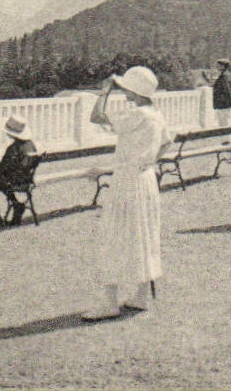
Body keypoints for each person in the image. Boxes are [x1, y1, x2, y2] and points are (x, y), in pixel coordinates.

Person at [84, 65, 167, 321]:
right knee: (144, 234)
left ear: (133, 91)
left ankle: (109, 302)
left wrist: (104, 92)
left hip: (128, 182)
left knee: (114, 237)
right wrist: (146, 162)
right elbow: (166, 144)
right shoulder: (156, 115)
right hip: (146, 179)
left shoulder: (138, 115)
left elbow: (96, 117)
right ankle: (141, 296)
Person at [0, 114, 41, 229]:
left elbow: (4, 167)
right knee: (3, 179)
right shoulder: (31, 145)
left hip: (14, 182)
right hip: (26, 180)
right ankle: (16, 205)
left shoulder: (13, 149)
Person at [205, 58, 231, 126]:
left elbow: (226, 88)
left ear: (223, 66)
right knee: (223, 118)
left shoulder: (224, 76)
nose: (217, 67)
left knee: (222, 119)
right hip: (225, 100)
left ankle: (224, 133)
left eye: (219, 65)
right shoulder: (226, 75)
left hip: (223, 101)